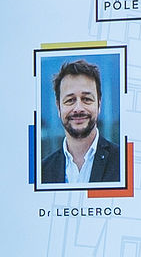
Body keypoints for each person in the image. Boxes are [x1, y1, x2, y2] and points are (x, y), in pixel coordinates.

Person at [38, 59, 119, 187]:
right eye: (70, 100)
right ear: (58, 107)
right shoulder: (42, 172)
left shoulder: (122, 162)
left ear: (99, 104)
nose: (78, 108)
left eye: (86, 99)